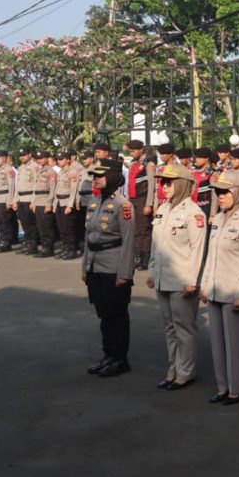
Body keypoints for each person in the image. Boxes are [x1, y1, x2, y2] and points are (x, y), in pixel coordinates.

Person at [147, 163, 207, 391]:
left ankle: (186, 372)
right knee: (169, 327)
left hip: (182, 280)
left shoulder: (194, 214)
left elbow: (197, 250)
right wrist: (152, 269)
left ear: (182, 184)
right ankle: (172, 369)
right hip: (162, 278)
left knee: (184, 328)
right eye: (163, 182)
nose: (165, 186)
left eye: (169, 182)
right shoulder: (163, 209)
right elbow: (156, 245)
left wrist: (192, 280)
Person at [200, 171, 239, 405]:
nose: (220, 196)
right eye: (218, 192)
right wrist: (204, 283)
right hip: (214, 288)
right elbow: (210, 255)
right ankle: (222, 386)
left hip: (233, 291)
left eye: (225, 192)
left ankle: (237, 387)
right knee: (217, 342)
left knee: (235, 344)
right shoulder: (218, 219)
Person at [81, 159, 136, 378]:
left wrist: (124, 273)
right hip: (95, 265)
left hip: (114, 266)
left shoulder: (123, 205)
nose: (95, 178)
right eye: (94, 175)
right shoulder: (94, 201)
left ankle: (120, 359)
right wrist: (85, 267)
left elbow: (129, 242)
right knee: (103, 314)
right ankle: (108, 356)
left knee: (117, 315)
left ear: (112, 176)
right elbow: (88, 237)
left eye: (100, 175)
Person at [124, 140, 156, 271]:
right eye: (130, 151)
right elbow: (129, 183)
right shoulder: (133, 164)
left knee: (144, 230)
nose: (132, 153)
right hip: (133, 200)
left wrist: (149, 204)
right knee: (135, 230)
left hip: (143, 199)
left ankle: (145, 257)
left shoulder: (149, 164)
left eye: (134, 151)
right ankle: (138, 255)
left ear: (141, 150)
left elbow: (152, 185)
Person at [53, 151, 82, 259]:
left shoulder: (73, 172)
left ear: (68, 160)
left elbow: (74, 190)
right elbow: (57, 189)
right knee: (62, 228)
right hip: (59, 202)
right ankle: (65, 248)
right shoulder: (60, 172)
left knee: (69, 228)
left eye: (62, 159)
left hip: (67, 202)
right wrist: (54, 204)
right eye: (58, 160)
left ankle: (71, 250)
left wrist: (70, 206)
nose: (59, 161)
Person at [11, 148, 40, 254]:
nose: (22, 157)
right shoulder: (20, 168)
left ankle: (33, 245)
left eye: (24, 155)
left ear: (29, 155)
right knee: (24, 223)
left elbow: (36, 185)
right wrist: (15, 200)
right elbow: (17, 186)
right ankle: (27, 243)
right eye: (20, 155)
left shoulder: (35, 167)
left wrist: (33, 201)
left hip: (29, 198)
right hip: (21, 199)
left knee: (30, 223)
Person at [32, 151, 58, 257]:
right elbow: (36, 189)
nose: (39, 160)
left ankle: (49, 249)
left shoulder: (52, 172)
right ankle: (44, 247)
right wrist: (33, 202)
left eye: (41, 158)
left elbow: (52, 190)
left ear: (47, 159)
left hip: (45, 201)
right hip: (38, 201)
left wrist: (49, 204)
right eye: (38, 158)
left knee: (47, 227)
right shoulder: (39, 171)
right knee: (40, 226)